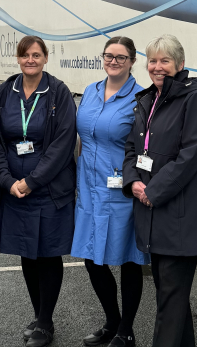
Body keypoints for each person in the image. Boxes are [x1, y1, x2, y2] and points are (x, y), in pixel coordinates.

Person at [122, 34, 197, 347]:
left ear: (180, 63)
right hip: (153, 212)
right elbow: (131, 147)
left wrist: (154, 190)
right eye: (153, 60)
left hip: (181, 215)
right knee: (171, 298)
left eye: (165, 60)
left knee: (169, 304)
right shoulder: (147, 99)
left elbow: (191, 153)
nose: (157, 66)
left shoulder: (194, 98)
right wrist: (132, 181)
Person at [0, 35, 77, 347]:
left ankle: (45, 321)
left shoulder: (58, 92)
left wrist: (32, 181)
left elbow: (63, 144)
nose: (31, 60)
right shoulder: (5, 92)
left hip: (49, 190)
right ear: (18, 58)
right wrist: (6, 180)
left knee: (48, 254)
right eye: (26, 55)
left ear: (45, 58)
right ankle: (40, 314)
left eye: (37, 55)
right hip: (14, 191)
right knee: (27, 252)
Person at [72, 37, 147, 347]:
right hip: (88, 188)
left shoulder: (141, 98)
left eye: (121, 57)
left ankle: (126, 330)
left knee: (129, 259)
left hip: (121, 190)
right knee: (92, 257)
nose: (113, 61)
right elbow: (80, 137)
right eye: (109, 56)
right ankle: (111, 320)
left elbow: (146, 146)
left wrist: (143, 181)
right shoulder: (90, 91)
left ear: (131, 61)